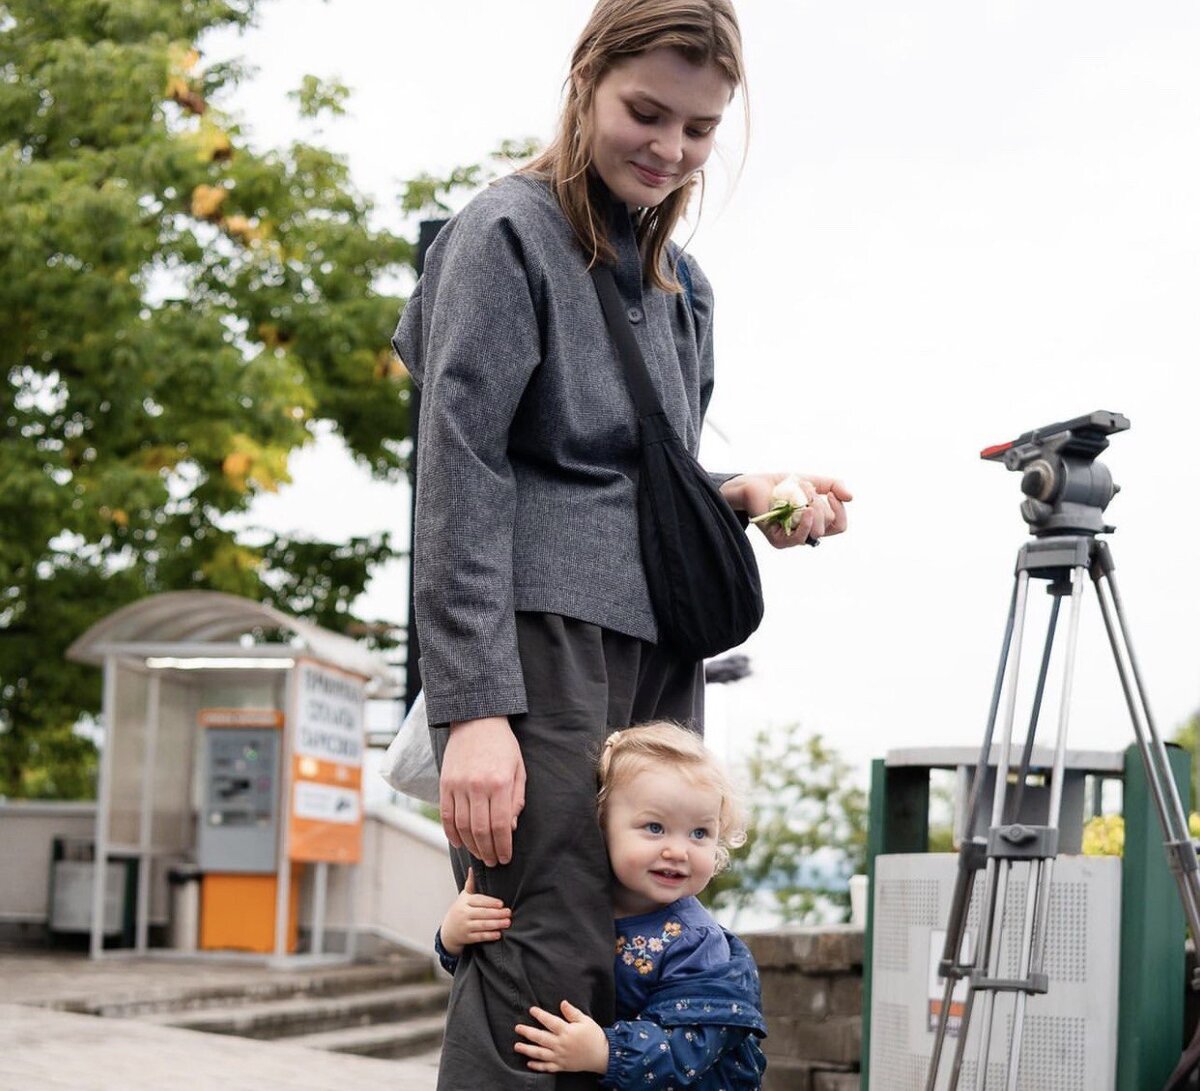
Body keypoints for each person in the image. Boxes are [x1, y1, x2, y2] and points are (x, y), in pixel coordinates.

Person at [391, 1, 851, 1086]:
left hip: (658, 648)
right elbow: (459, 470)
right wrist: (472, 707)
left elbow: (647, 473)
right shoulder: (504, 235)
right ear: (586, 77)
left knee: (639, 948)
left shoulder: (681, 284)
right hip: (539, 639)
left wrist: (749, 494)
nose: (671, 148)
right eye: (647, 112)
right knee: (539, 951)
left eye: (699, 128)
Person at [436, 723, 767, 1089]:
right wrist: (453, 939)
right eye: (655, 827)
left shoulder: (697, 942)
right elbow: (507, 969)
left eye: (699, 833)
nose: (678, 851)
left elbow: (696, 1046)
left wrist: (608, 1053)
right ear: (602, 825)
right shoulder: (575, 898)